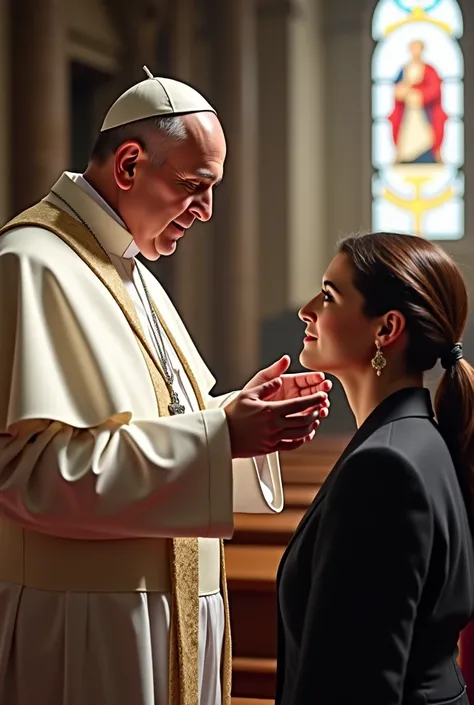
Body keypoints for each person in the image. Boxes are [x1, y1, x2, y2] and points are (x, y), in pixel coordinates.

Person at [0, 69, 332, 705]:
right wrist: (220, 435)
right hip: (91, 627)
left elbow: (161, 421)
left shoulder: (134, 269)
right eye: (193, 186)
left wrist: (238, 416)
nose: (205, 212)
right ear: (129, 165)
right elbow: (26, 473)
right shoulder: (31, 263)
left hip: (166, 614)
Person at [276, 232, 474, 705]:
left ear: (385, 330)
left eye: (329, 295)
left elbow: (353, 689)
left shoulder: (384, 469)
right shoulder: (419, 440)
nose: (307, 309)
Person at [389, 40, 447, 164]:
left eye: (418, 48)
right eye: (413, 48)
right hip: (408, 113)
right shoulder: (404, 70)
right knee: (407, 138)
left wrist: (420, 95)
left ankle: (430, 156)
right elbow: (397, 91)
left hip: (423, 112)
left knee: (427, 137)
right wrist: (405, 92)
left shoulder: (429, 70)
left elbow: (434, 89)